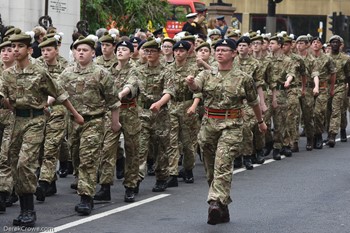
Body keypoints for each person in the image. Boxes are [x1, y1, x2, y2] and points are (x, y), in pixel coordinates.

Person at [0, 28, 83, 227]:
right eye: (13, 46)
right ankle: (21, 206)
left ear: (29, 50)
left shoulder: (39, 71)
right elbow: (4, 98)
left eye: (20, 46)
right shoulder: (8, 74)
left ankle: (29, 211)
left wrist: (76, 114)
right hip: (15, 120)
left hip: (35, 120)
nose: (16, 50)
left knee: (25, 163)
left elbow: (60, 93)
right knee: (10, 162)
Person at [186, 38, 267, 225]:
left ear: (233, 53)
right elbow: (196, 86)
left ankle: (214, 202)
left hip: (232, 124)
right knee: (211, 169)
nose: (220, 52)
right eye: (218, 49)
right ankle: (223, 206)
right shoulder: (206, 74)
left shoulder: (243, 77)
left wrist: (261, 122)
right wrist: (190, 83)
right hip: (209, 126)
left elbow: (254, 102)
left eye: (224, 50)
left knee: (222, 162)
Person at [57, 36, 121, 215]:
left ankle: (86, 198)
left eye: (85, 50)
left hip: (94, 121)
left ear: (93, 53)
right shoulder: (67, 73)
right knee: (76, 157)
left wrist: (115, 123)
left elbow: (113, 100)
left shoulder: (101, 73)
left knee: (88, 158)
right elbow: (57, 92)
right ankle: (83, 185)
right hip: (73, 122)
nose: (81, 53)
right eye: (78, 50)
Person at [160, 41, 200, 188]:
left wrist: (194, 105)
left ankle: (188, 169)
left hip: (187, 106)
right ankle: (173, 173)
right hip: (171, 106)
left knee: (189, 143)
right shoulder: (167, 69)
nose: (178, 53)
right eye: (176, 50)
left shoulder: (193, 68)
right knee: (171, 141)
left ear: (187, 52)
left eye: (182, 51)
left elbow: (198, 90)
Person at [35, 36, 70, 202]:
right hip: (39, 111)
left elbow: (61, 88)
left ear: (56, 50)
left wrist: (50, 101)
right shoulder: (36, 64)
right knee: (41, 147)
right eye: (43, 50)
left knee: (51, 146)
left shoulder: (65, 66)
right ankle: (51, 181)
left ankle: (42, 183)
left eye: (49, 50)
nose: (45, 53)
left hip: (58, 109)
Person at [135, 39, 170, 193]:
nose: (148, 54)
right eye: (146, 51)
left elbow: (170, 91)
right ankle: (135, 180)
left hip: (160, 113)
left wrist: (159, 104)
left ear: (159, 53)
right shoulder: (139, 70)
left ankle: (162, 177)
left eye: (152, 51)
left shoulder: (166, 70)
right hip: (142, 113)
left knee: (160, 147)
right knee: (140, 147)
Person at [311, 37, 336, 149]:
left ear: (322, 45)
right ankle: (311, 136)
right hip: (309, 88)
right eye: (314, 42)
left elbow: (333, 72)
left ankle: (319, 135)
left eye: (318, 42)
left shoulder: (327, 58)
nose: (316, 44)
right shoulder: (307, 58)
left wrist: (331, 87)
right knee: (309, 114)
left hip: (322, 88)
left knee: (319, 112)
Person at [0, 37, 16, 213]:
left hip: (14, 118)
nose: (5, 53)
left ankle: (3, 193)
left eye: (8, 50)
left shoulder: (20, 72)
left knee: (6, 156)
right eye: (2, 50)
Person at [326, 35, 350, 147]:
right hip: (326, 86)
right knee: (327, 111)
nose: (335, 44)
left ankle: (333, 134)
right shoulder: (325, 57)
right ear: (330, 45)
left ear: (340, 45)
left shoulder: (346, 59)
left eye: (337, 42)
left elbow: (348, 74)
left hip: (340, 86)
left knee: (337, 110)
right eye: (333, 42)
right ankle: (329, 131)